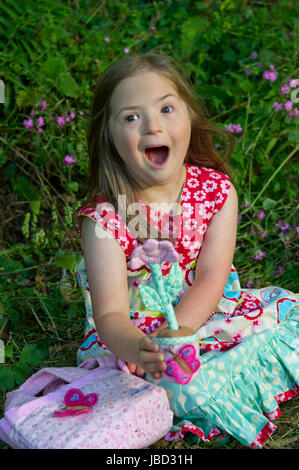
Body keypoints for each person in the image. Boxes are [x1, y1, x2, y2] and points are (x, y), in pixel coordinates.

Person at [74, 51, 298, 447]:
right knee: (178, 387)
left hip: (204, 310)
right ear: (108, 135)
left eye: (166, 108)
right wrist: (144, 350)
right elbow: (110, 313)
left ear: (189, 117)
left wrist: (181, 333)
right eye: (131, 117)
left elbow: (212, 276)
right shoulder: (105, 220)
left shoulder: (215, 192)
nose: (152, 125)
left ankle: (232, 368)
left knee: (289, 317)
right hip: (135, 338)